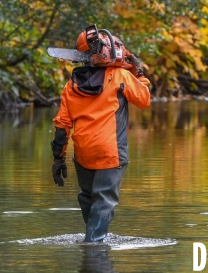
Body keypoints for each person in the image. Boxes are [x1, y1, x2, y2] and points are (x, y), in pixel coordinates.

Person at [50, 30, 151, 243]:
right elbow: (144, 99)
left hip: (83, 151)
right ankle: (94, 244)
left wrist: (59, 158)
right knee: (104, 201)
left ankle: (93, 241)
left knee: (88, 197)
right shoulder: (120, 77)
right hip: (110, 151)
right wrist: (139, 73)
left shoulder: (71, 85)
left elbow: (62, 126)